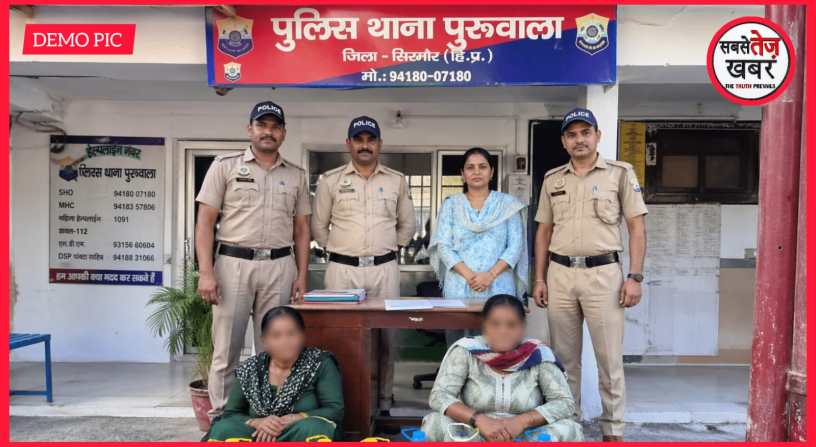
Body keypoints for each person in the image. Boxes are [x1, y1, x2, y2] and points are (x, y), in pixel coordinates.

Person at [531, 107, 648, 441]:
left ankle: (613, 432)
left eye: (585, 132)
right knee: (563, 362)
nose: (579, 139)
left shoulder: (620, 174)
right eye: (572, 134)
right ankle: (568, 427)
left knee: (609, 361)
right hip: (560, 275)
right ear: (564, 142)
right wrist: (539, 278)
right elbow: (543, 232)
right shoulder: (553, 179)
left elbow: (636, 228)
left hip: (604, 276)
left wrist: (635, 277)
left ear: (598, 136)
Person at [195, 101, 312, 417]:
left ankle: (270, 417)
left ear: (283, 133)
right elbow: (205, 222)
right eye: (262, 125)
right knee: (226, 349)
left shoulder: (296, 175)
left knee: (277, 348)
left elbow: (302, 229)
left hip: (279, 266)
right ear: (250, 129)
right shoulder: (225, 166)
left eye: (275, 127)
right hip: (233, 264)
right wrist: (206, 272)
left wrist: (302, 275)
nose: (268, 132)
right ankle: (222, 419)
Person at [311, 115, 416, 415]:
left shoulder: (396, 180)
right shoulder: (330, 181)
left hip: (384, 269)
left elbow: (407, 225)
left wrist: (387, 248)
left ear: (379, 144)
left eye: (371, 140)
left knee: (386, 337)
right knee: (339, 336)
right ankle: (339, 400)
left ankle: (383, 400)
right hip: (342, 270)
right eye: (359, 140)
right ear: (349, 144)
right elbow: (319, 227)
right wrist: (344, 250)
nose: (365, 145)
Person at [421, 295, 584, 442]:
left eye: (511, 325)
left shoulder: (538, 354)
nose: (503, 331)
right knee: (435, 422)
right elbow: (439, 396)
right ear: (485, 327)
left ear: (522, 328)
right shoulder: (466, 351)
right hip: (473, 434)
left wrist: (522, 421)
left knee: (570, 428)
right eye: (495, 324)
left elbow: (564, 402)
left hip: (527, 435)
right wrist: (479, 420)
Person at [207, 306, 344, 442]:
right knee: (224, 429)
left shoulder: (319, 363)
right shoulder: (250, 369)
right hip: (257, 435)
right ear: (264, 341)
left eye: (292, 334)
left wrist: (296, 417)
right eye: (276, 336)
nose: (285, 341)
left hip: (298, 433)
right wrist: (258, 422)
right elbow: (231, 413)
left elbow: (334, 410)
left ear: (302, 336)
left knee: (317, 429)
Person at [428, 147, 527, 300]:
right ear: (462, 174)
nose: (476, 172)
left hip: (499, 285)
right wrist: (471, 277)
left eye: (482, 167)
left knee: (499, 316)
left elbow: (515, 246)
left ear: (491, 172)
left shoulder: (508, 205)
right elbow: (443, 246)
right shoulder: (451, 205)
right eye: (470, 167)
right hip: (459, 286)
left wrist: (490, 275)